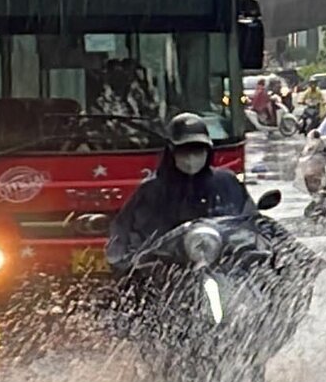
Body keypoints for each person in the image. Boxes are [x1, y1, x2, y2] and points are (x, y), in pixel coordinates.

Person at [106, 113, 253, 271]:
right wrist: (133, 264)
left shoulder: (227, 183)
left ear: (208, 151)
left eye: (197, 151)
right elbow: (122, 237)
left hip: (224, 270)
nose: (191, 158)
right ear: (171, 152)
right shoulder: (151, 191)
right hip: (167, 276)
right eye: (184, 151)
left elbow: (249, 222)